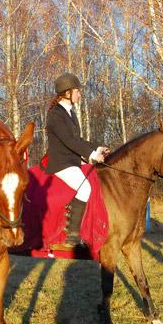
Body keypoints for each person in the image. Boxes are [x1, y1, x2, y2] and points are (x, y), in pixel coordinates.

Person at [44, 73, 109, 250]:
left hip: (71, 161)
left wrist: (98, 148)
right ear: (67, 93)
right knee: (85, 188)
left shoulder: (70, 113)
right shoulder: (55, 115)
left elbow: (77, 139)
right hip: (61, 163)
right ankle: (71, 237)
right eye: (77, 91)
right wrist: (92, 155)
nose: (80, 94)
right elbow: (70, 141)